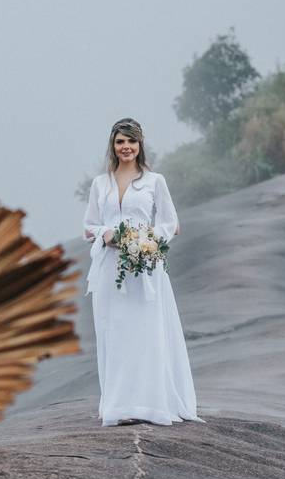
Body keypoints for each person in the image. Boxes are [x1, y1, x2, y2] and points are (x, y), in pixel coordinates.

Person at [83, 118, 203, 426]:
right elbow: (89, 226)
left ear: (140, 145)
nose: (126, 147)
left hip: (144, 269)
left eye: (131, 142)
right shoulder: (101, 183)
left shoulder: (154, 181)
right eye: (120, 142)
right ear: (113, 145)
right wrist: (106, 234)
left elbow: (170, 224)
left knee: (144, 332)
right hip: (110, 269)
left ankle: (147, 404)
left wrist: (147, 243)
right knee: (114, 333)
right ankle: (117, 405)